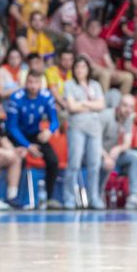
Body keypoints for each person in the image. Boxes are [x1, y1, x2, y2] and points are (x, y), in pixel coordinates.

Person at [6, 70, 61, 208]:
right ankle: (15, 197)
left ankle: (49, 197)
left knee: (53, 160)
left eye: (36, 82)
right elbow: (12, 127)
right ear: (25, 83)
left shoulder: (46, 96)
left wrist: (49, 131)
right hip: (16, 135)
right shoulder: (16, 98)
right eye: (30, 82)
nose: (33, 86)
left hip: (35, 133)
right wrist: (27, 145)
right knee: (21, 157)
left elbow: (54, 120)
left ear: (41, 84)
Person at [61, 57, 105, 209]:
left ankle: (94, 198)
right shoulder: (69, 85)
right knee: (74, 163)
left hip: (95, 128)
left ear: (88, 69)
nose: (80, 70)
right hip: (77, 128)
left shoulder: (95, 85)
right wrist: (91, 105)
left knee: (95, 164)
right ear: (73, 69)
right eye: (77, 67)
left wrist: (83, 103)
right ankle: (69, 198)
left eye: (83, 67)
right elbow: (72, 107)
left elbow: (101, 105)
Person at [101, 94, 137, 209]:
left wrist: (118, 148)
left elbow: (127, 143)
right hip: (98, 153)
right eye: (125, 106)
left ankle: (133, 196)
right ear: (118, 105)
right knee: (100, 162)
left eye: (131, 107)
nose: (128, 109)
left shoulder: (127, 118)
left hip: (113, 154)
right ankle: (96, 195)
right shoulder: (106, 116)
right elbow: (94, 143)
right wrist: (105, 156)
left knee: (134, 156)